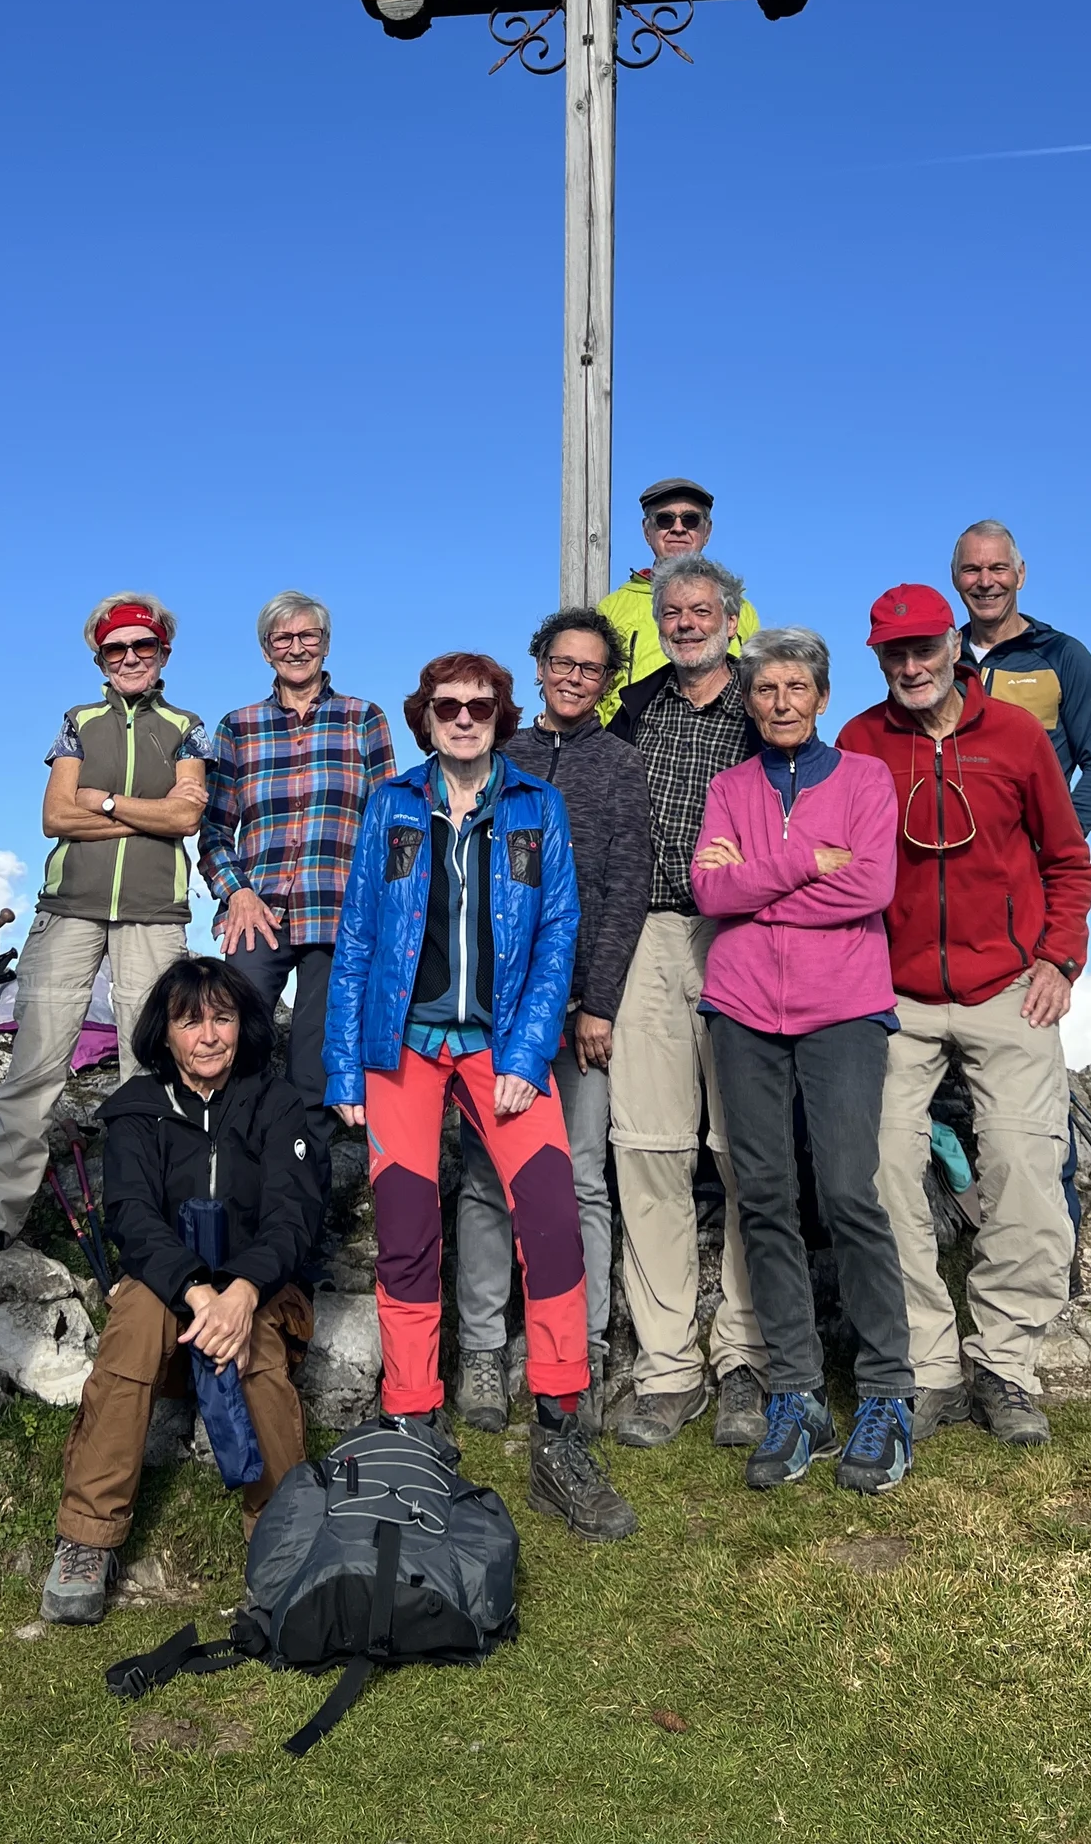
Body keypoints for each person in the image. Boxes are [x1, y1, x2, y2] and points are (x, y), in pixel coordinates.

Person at [323, 652, 636, 1543]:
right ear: (426, 717)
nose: (464, 719)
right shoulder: (391, 803)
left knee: (551, 1224)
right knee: (407, 1233)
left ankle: (560, 1433)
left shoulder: (538, 804)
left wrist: (530, 1050)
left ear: (502, 717)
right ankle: (414, 1422)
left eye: (481, 706)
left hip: (501, 1046)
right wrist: (346, 1067)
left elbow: (559, 929)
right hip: (402, 1048)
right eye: (447, 706)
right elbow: (356, 939)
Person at [837, 586, 1091, 1450]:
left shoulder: (1019, 737)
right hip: (896, 994)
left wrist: (1059, 958)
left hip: (1007, 985)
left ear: (953, 644)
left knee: (1026, 1165)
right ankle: (928, 1362)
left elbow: (1067, 860)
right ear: (878, 659)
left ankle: (1006, 1363)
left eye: (922, 648)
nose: (909, 666)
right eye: (892, 653)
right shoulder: (860, 743)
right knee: (876, 1165)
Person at [691, 629, 916, 1493]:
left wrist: (758, 881)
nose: (780, 702)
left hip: (845, 1009)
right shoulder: (729, 786)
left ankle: (887, 1392)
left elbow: (870, 886)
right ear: (747, 702)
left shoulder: (863, 778)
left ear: (822, 696)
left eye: (796, 687)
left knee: (851, 1192)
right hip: (744, 1010)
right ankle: (796, 1393)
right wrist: (797, 863)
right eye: (764, 690)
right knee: (767, 1197)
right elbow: (710, 890)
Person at [40, 957, 323, 1624]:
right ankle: (87, 1535)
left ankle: (281, 1535)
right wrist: (198, 1289)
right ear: (164, 1033)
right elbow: (132, 1218)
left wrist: (244, 1289)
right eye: (190, 1021)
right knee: (136, 1315)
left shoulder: (276, 1104)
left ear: (242, 1025)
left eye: (222, 1018)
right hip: (173, 1297)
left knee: (253, 1348)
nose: (208, 1036)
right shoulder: (139, 1111)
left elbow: (295, 1215)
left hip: (260, 1292)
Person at [454, 607, 650, 1436]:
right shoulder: (498, 758)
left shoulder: (620, 767)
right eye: (561, 663)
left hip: (577, 1015)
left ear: (608, 683)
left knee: (578, 1180)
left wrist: (598, 1001)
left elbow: (624, 891)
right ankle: (480, 1351)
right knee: (484, 1181)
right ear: (538, 668)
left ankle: (580, 1346)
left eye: (591, 668)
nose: (573, 677)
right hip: (492, 1013)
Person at [0, 594, 209, 1252]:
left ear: (164, 654)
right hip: (68, 907)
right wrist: (146, 809)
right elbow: (55, 817)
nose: (130, 658)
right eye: (116, 648)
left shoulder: (187, 726)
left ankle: (147, 1217)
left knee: (152, 1067)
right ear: (98, 656)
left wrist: (100, 800)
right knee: (35, 1064)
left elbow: (187, 818)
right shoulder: (78, 721)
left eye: (144, 647)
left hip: (154, 913)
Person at [604, 557, 768, 1450]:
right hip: (651, 936)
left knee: (747, 1151)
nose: (687, 621)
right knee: (650, 1149)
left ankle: (745, 1357)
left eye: (703, 610)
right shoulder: (635, 711)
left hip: (745, 935)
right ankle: (668, 1367)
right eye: (673, 611)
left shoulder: (765, 702)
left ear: (731, 620)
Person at [199, 591, 395, 1178]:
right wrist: (236, 890)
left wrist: (379, 910)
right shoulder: (238, 726)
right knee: (232, 1037)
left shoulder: (365, 718)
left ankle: (299, 1200)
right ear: (266, 652)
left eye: (308, 636)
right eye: (283, 639)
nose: (296, 648)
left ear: (326, 645)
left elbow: (391, 826)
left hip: (339, 911)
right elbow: (213, 827)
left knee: (315, 1061)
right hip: (255, 911)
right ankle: (234, 1172)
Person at [952, 520, 1091, 834]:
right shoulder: (938, 661)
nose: (985, 581)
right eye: (972, 569)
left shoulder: (1062, 655)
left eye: (998, 568)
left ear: (1021, 575)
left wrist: (1059, 838)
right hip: (952, 865)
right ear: (955, 578)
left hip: (1033, 875)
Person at [598, 477, 761, 717]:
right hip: (630, 746)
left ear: (707, 531)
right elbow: (592, 689)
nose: (678, 528)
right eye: (664, 519)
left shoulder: (740, 609)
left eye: (690, 519)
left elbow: (760, 683)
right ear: (647, 531)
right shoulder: (612, 609)